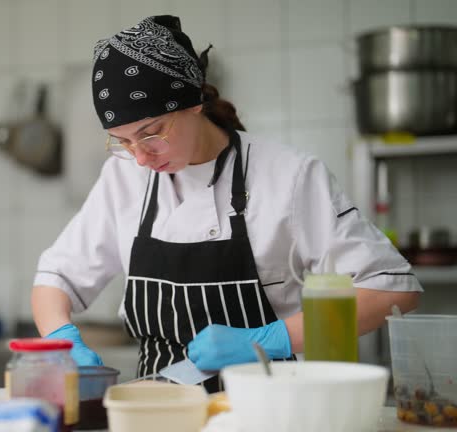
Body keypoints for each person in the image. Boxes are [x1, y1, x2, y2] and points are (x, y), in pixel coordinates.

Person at [31, 15, 421, 392]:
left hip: (271, 408)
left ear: (193, 103)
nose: (141, 158)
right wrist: (62, 338)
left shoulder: (289, 175)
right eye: (123, 141)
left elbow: (391, 289)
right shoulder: (124, 177)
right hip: (161, 409)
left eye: (150, 134)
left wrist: (270, 339)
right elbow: (55, 277)